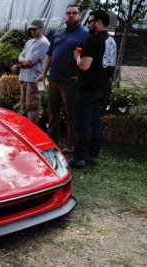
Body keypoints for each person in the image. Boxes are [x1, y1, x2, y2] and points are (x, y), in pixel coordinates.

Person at [36, 4, 89, 153]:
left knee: (72, 114)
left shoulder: (85, 34)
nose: (70, 15)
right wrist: (43, 73)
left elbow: (90, 57)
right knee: (53, 113)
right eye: (68, 13)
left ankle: (72, 145)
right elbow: (49, 54)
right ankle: (51, 141)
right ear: (65, 16)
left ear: (80, 16)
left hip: (71, 82)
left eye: (74, 13)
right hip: (54, 79)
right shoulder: (58, 33)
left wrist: (82, 76)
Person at [69, 10, 117, 168]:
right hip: (103, 88)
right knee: (96, 122)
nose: (87, 24)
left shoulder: (92, 41)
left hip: (89, 89)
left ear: (99, 22)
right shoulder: (112, 41)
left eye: (90, 21)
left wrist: (77, 59)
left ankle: (79, 158)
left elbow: (84, 65)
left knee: (84, 123)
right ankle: (92, 156)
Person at [11, 19, 49, 125]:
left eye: (34, 28)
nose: (32, 30)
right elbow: (21, 57)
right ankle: (25, 129)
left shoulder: (44, 43)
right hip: (24, 78)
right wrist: (23, 60)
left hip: (34, 79)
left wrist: (19, 65)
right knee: (23, 106)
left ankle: (32, 131)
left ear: (41, 28)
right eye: (31, 28)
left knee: (32, 106)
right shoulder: (30, 42)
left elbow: (31, 62)